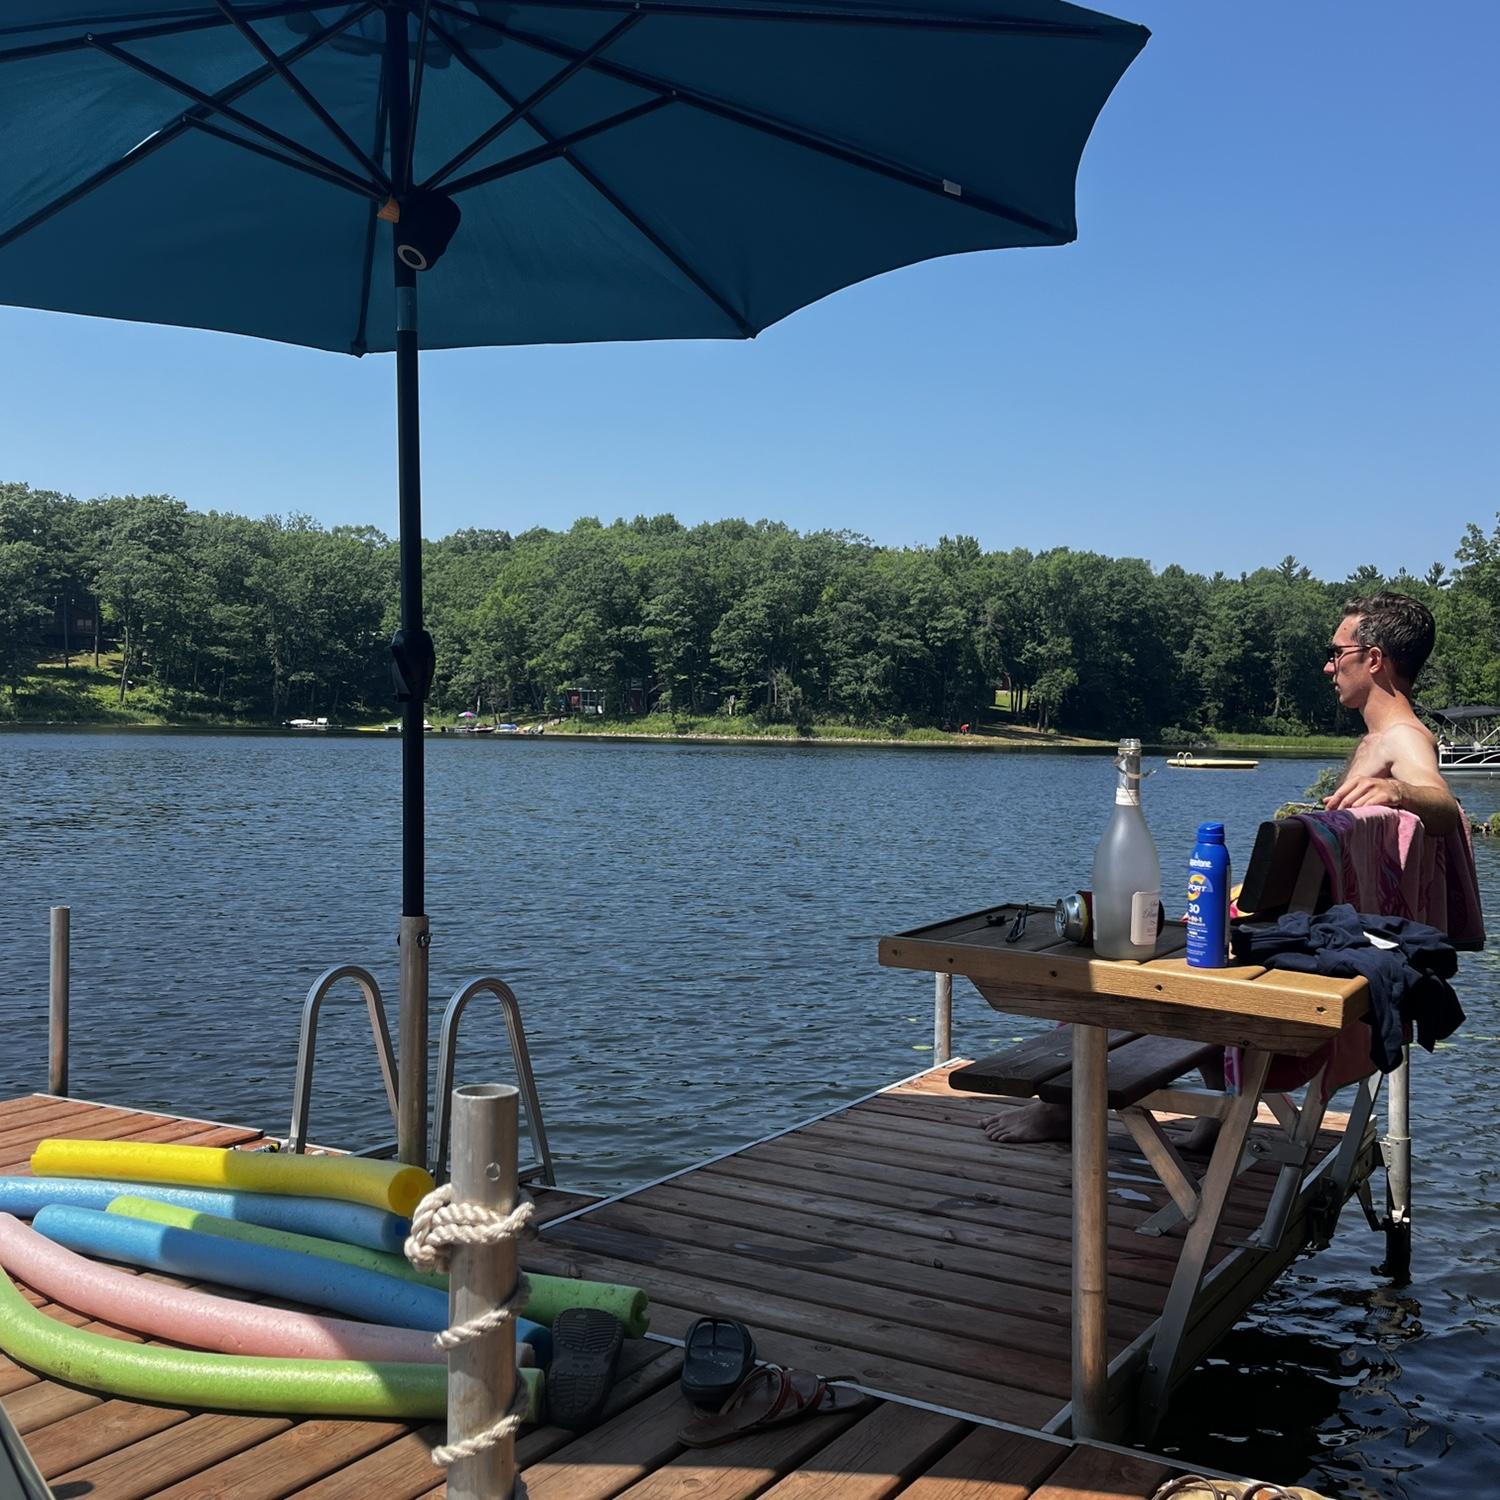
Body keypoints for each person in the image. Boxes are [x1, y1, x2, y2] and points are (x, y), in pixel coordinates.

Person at [980, 590, 1456, 1146]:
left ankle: (1064, 1108)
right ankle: (1216, 1118)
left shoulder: (1403, 738)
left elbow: (1443, 806)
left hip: (1305, 961)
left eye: (1336, 652)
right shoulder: (1379, 739)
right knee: (1186, 926)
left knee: (1120, 952)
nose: (1329, 667)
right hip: (1323, 946)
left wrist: (1397, 791)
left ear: (1373, 659)